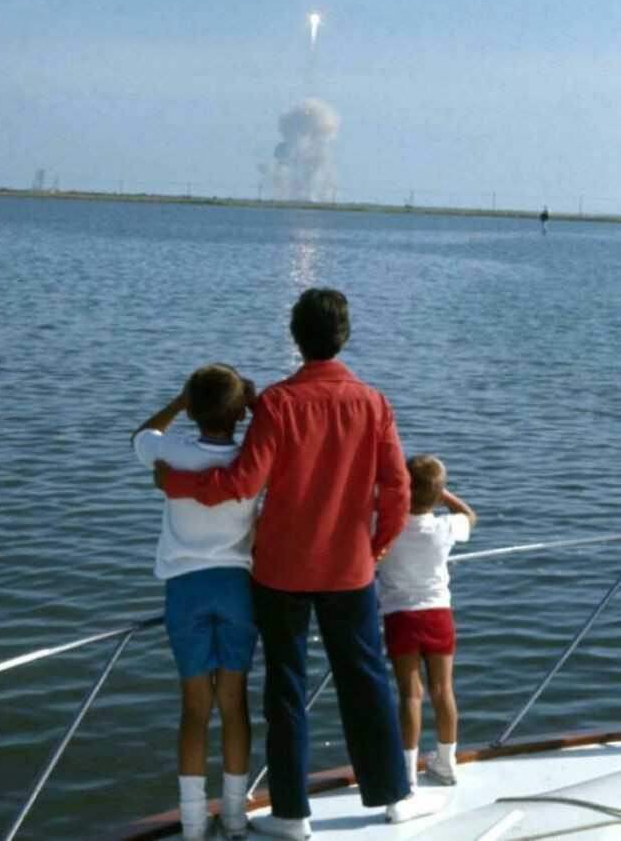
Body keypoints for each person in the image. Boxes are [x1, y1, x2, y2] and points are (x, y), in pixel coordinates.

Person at [155, 289, 444, 839]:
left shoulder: (277, 405)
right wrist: (377, 546)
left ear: (297, 336)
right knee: (366, 684)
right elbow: (398, 490)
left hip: (280, 572)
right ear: (344, 336)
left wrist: (176, 481)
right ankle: (392, 798)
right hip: (349, 571)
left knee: (285, 689)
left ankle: (291, 813)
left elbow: (242, 483)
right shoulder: (374, 403)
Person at [132, 364, 259, 841]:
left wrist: (177, 403)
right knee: (234, 704)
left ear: (193, 407)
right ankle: (233, 816)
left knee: (194, 709)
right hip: (237, 589)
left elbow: (141, 435)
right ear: (238, 413)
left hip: (185, 589)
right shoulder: (252, 457)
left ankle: (190, 824)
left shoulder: (171, 450)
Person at [377, 455, 477, 790]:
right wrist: (442, 495)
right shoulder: (444, 527)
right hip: (438, 614)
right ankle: (446, 763)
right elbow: (469, 517)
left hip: (400, 615)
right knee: (442, 690)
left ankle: (406, 772)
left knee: (410, 694)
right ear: (436, 494)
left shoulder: (386, 524)